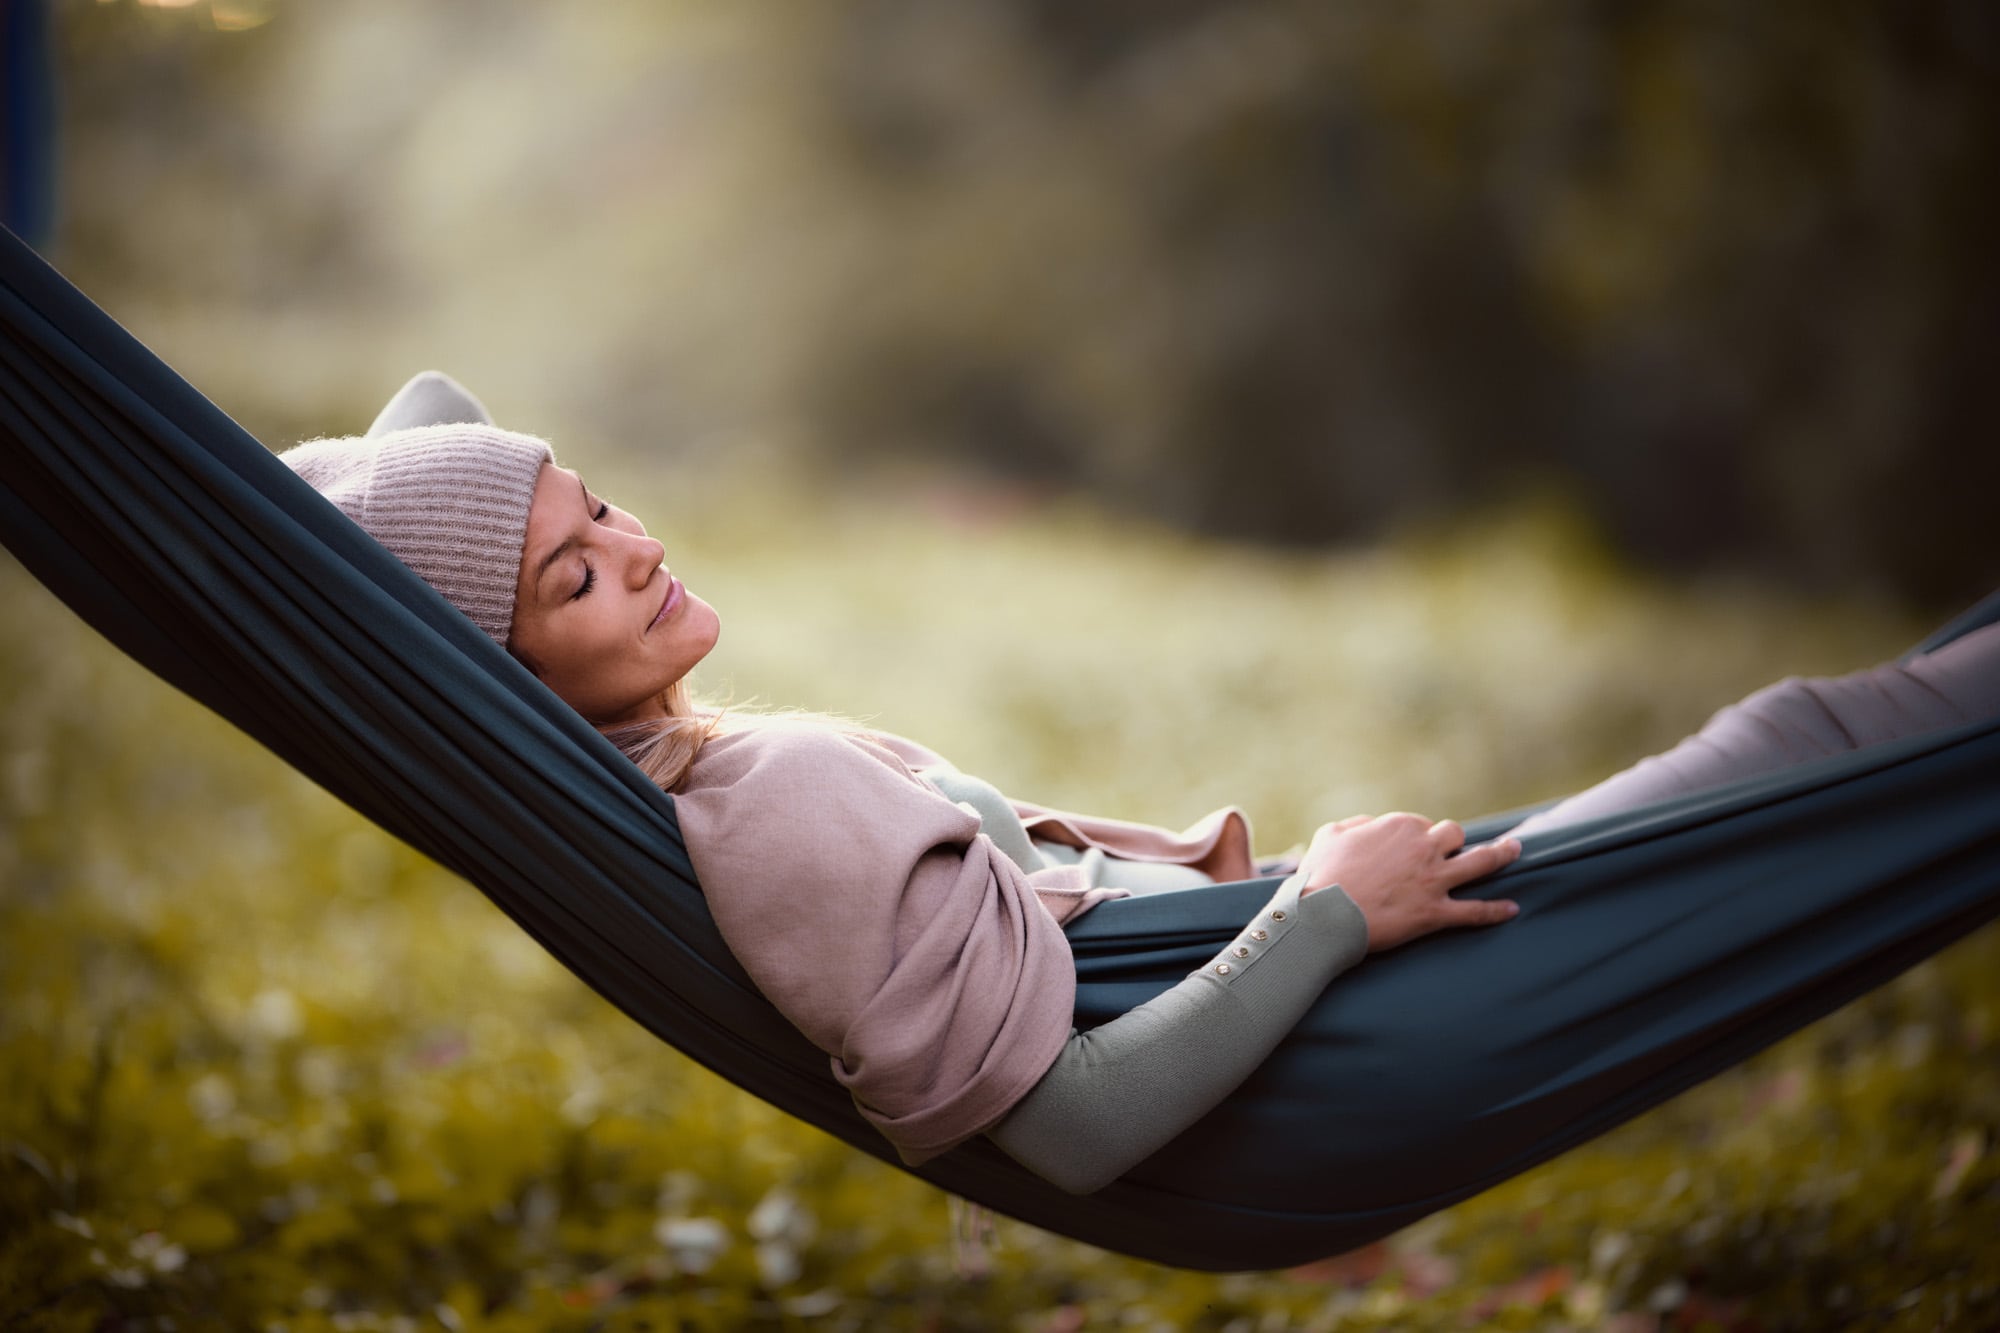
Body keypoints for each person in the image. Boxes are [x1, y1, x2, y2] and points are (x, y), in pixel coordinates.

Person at [282, 372, 2000, 1195]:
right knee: (1821, 759)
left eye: (597, 506)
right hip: (1344, 1049)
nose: (634, 552)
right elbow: (1081, 1126)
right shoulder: (774, 794)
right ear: (509, 686)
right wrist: (1323, 912)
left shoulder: (725, 775)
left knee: (1824, 751)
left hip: (1338, 1021)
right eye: (572, 581)